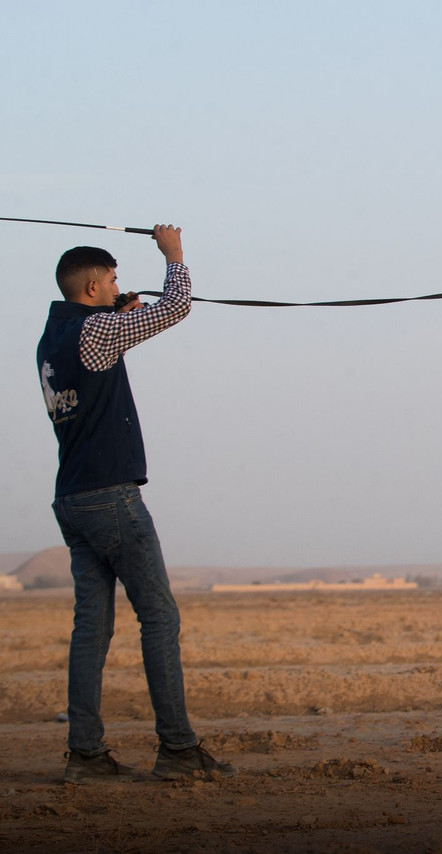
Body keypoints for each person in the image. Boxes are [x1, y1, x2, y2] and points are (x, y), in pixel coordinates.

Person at [37, 225, 235, 783]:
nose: (119, 284)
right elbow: (175, 307)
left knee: (91, 630)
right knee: (159, 618)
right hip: (111, 498)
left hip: (72, 497)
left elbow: (102, 337)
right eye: (115, 279)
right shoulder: (97, 331)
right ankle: (176, 749)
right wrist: (173, 253)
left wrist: (122, 313)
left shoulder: (54, 339)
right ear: (95, 285)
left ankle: (86, 755)